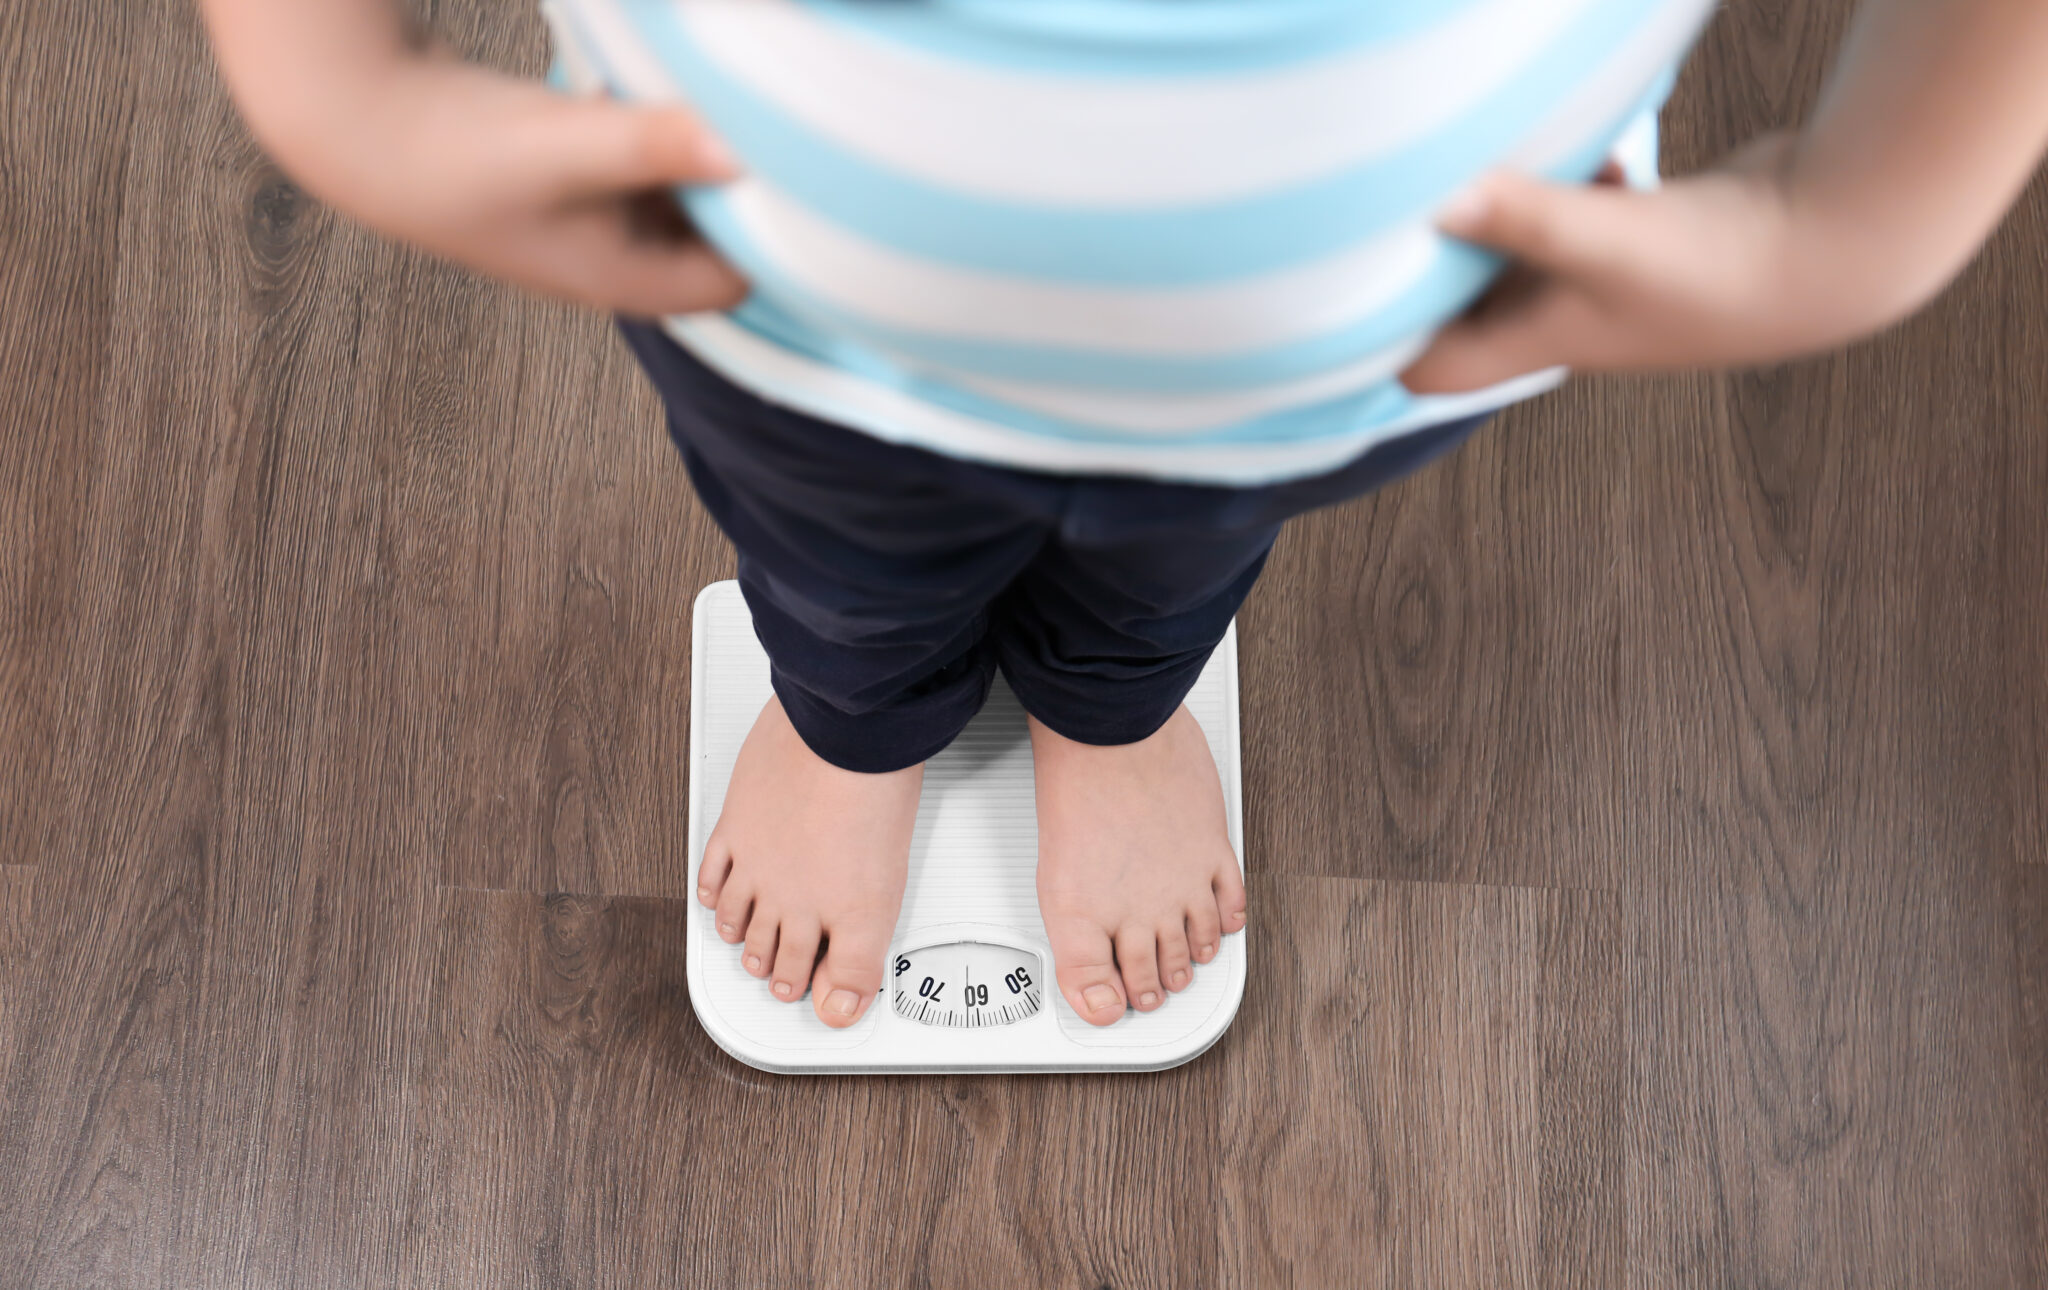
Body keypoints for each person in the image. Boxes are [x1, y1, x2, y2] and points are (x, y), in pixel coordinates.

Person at [201, 0, 2048, 1030]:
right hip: (791, 308)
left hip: (1355, 342)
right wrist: (330, 87)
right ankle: (860, 716)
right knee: (840, 569)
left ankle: (1114, 694)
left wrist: (1854, 220)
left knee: (1183, 543)